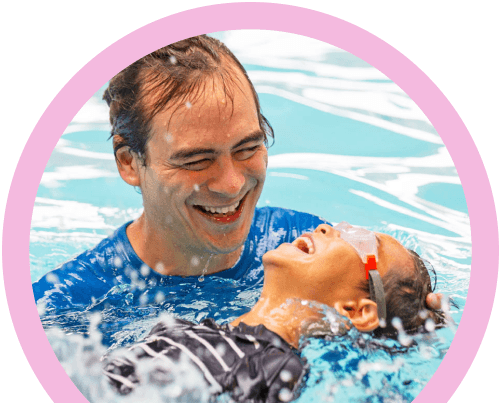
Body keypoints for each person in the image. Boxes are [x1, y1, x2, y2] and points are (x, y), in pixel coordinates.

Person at [33, 35, 326, 318]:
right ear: (129, 163)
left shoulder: (307, 246)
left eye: (247, 149)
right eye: (197, 161)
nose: (232, 185)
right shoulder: (68, 307)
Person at [104, 222, 446, 403]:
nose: (329, 228)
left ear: (357, 310)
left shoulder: (278, 368)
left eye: (364, 242)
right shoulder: (195, 327)